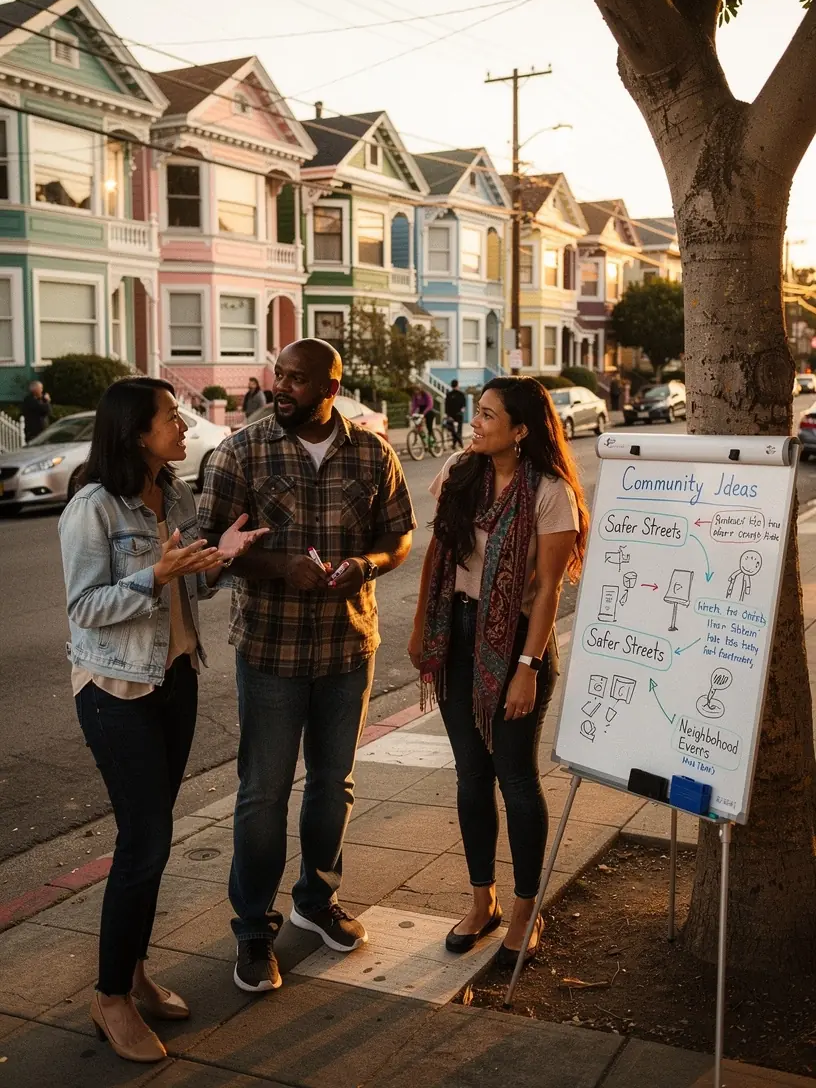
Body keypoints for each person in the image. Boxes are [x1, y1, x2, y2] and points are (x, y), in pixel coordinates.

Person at [59, 378, 267, 1065]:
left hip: (172, 678)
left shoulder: (172, 493)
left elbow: (190, 578)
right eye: (171, 418)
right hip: (116, 691)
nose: (184, 427)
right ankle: (110, 997)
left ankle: (135, 971)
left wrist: (220, 559)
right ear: (134, 431)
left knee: (151, 839)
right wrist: (156, 575)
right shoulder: (93, 506)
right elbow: (85, 606)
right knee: (142, 841)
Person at [198, 339, 416, 993]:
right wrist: (279, 567)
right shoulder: (242, 450)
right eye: (279, 376)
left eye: (296, 378)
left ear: (331, 385)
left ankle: (316, 903)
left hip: (349, 648)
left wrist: (368, 564)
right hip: (271, 649)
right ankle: (254, 933)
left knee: (333, 785)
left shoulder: (373, 452)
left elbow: (399, 533)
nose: (281, 386)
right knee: (263, 794)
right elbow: (213, 547)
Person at [408, 376, 588, 968]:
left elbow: (547, 595)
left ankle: (523, 911)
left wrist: (528, 668)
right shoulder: (460, 474)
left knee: (514, 775)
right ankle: (481, 900)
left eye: (488, 416)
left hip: (517, 643)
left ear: (520, 430)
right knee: (470, 775)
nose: (476, 423)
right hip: (458, 635)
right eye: (477, 413)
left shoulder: (550, 492)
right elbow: (438, 551)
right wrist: (421, 628)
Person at [445, 380, 467, 450]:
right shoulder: (461, 394)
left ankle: (454, 444)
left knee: (452, 430)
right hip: (459, 415)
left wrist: (448, 415)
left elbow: (446, 406)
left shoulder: (448, 394)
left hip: (451, 416)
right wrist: (461, 412)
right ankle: (459, 442)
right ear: (457, 385)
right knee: (459, 430)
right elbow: (463, 406)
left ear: (451, 385)